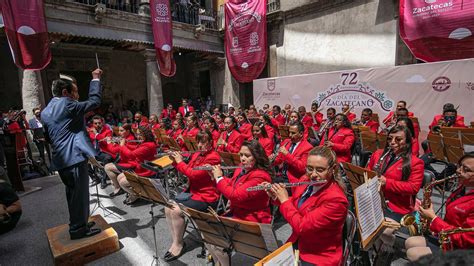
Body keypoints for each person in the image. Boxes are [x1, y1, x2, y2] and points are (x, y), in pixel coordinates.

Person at [41, 69, 103, 239]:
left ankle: (79, 222)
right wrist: (95, 79)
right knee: (80, 195)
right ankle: (78, 230)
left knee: (73, 195)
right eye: (75, 92)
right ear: (65, 92)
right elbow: (95, 101)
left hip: (61, 160)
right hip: (73, 158)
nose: (77, 96)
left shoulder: (45, 111)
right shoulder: (67, 103)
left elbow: (47, 137)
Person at [265, 146, 348, 266]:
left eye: (320, 170)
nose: (313, 174)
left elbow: (301, 227)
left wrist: (284, 201)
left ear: (333, 169)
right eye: (309, 168)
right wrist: (276, 196)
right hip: (298, 243)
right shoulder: (305, 179)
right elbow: (296, 203)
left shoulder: (336, 200)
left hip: (317, 256)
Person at [209, 140, 273, 266]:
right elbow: (233, 185)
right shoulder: (241, 169)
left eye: (247, 156)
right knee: (208, 232)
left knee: (216, 240)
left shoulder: (260, 176)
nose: (243, 159)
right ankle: (220, 262)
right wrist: (215, 177)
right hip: (238, 212)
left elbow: (235, 196)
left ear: (257, 157)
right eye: (241, 155)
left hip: (252, 218)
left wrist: (219, 178)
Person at [405, 152, 474, 262]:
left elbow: (465, 239)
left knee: (413, 253)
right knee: (410, 242)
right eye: (459, 166)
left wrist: (433, 219)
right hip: (448, 238)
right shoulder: (463, 188)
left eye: (465, 169)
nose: (458, 171)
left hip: (462, 251)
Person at [163, 131, 221, 262]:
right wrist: (174, 161)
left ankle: (178, 245)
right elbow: (186, 169)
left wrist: (180, 161)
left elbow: (192, 174)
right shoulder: (196, 154)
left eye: (203, 142)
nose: (200, 145)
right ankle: (176, 241)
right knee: (168, 206)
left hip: (207, 196)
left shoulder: (214, 157)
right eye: (198, 142)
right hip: (194, 192)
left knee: (176, 210)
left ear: (211, 143)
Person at [367, 125, 424, 219]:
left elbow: (413, 187)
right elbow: (368, 171)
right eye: (390, 139)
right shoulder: (378, 154)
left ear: (407, 142)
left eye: (398, 139)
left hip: (396, 207)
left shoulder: (416, 162)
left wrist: (387, 182)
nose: (392, 142)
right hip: (373, 201)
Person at [115, 126, 157, 205]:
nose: (138, 136)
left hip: (147, 172)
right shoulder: (145, 143)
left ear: (146, 134)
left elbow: (131, 155)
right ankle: (136, 192)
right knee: (119, 177)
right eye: (137, 134)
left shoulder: (147, 146)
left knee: (123, 183)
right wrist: (126, 144)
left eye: (140, 134)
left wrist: (122, 145)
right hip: (141, 169)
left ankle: (138, 195)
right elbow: (136, 147)